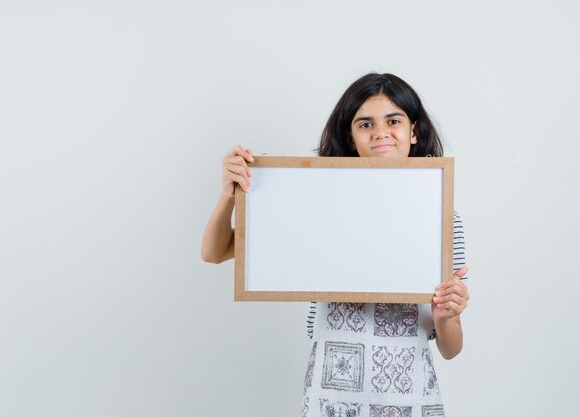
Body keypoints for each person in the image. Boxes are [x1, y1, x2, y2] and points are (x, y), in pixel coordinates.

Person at [201, 73, 470, 417]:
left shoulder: (441, 218)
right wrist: (229, 194)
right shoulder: (317, 204)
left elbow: (451, 348)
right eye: (365, 124)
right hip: (331, 398)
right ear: (350, 135)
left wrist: (448, 314)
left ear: (413, 131)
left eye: (393, 120)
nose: (381, 132)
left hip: (410, 399)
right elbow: (214, 251)